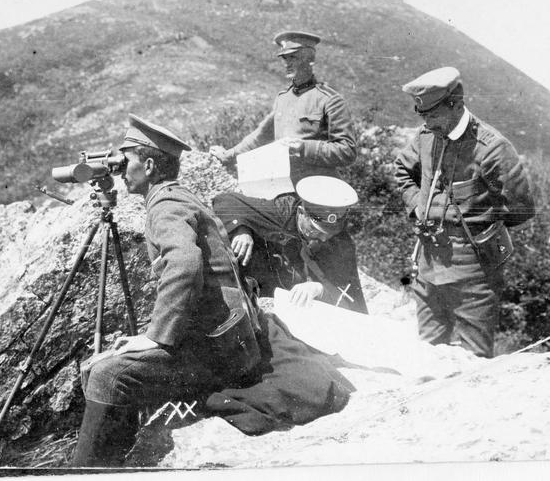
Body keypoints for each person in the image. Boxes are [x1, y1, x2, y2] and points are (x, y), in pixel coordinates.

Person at [72, 115, 253, 467]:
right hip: (229, 340)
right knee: (117, 361)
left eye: (127, 162)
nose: (121, 170)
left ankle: (88, 471)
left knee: (107, 373)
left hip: (219, 354)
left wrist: (156, 338)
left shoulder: (165, 205)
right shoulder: (178, 196)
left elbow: (185, 265)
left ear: (150, 165)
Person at [394, 67, 535, 358]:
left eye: (432, 115)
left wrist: (477, 226)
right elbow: (402, 171)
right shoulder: (426, 136)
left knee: (475, 360)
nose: (427, 123)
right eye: (422, 116)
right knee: (428, 355)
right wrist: (418, 206)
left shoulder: (491, 147)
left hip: (475, 274)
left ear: (455, 104)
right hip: (428, 266)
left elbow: (521, 208)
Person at [209, 31, 357, 185]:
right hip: (283, 182)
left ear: (310, 60)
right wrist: (229, 155)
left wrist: (303, 147)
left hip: (316, 186)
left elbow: (347, 151)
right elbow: (260, 136)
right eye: (285, 58)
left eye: (293, 57)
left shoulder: (330, 99)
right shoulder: (283, 98)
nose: (287, 63)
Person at [213, 175, 368, 314]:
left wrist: (318, 289)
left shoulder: (340, 242)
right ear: (301, 212)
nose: (323, 238)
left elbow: (349, 296)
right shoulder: (283, 209)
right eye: (316, 231)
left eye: (329, 233)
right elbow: (225, 200)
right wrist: (242, 228)